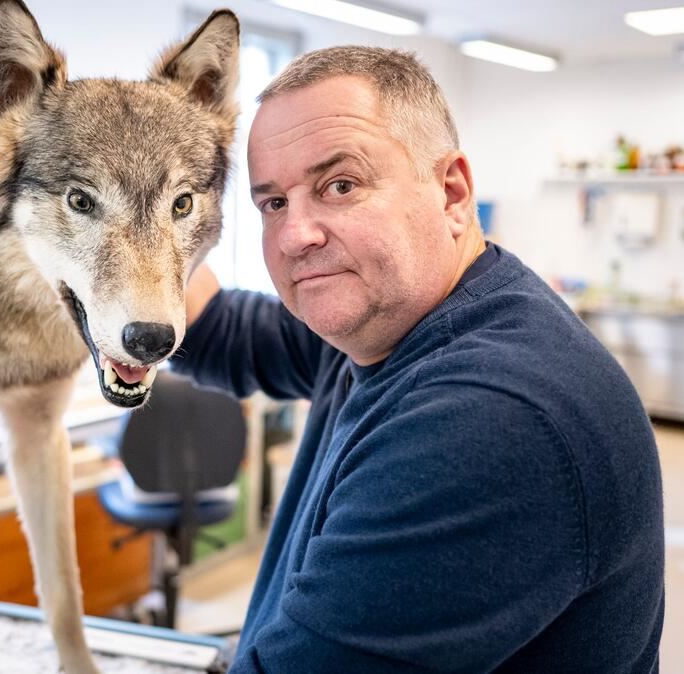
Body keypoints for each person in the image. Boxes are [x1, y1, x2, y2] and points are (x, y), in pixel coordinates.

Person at [173, 46, 663, 672]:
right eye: (274, 203)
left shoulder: (488, 419)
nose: (296, 235)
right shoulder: (378, 322)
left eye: (340, 186)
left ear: (452, 193)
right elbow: (215, 330)